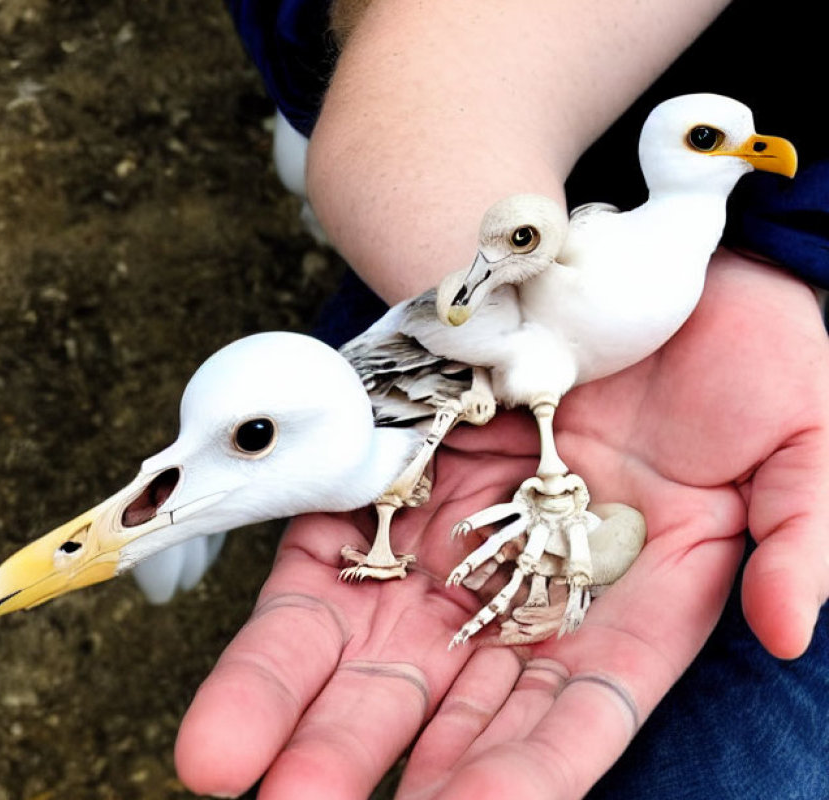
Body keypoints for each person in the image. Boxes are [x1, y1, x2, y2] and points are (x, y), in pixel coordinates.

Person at [175, 0, 829, 797]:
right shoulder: (581, 254)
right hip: (493, 193)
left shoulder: (672, 252)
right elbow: (470, 231)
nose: (755, 151)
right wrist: (427, 146)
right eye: (713, 142)